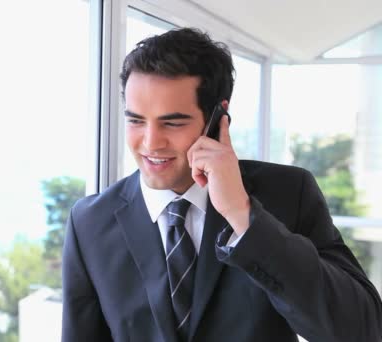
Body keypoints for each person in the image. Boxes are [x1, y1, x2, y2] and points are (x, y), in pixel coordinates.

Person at [61, 27, 382, 342]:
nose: (150, 143)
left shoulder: (287, 192)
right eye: (136, 120)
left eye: (172, 122)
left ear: (219, 118)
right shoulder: (90, 221)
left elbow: (362, 329)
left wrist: (242, 215)